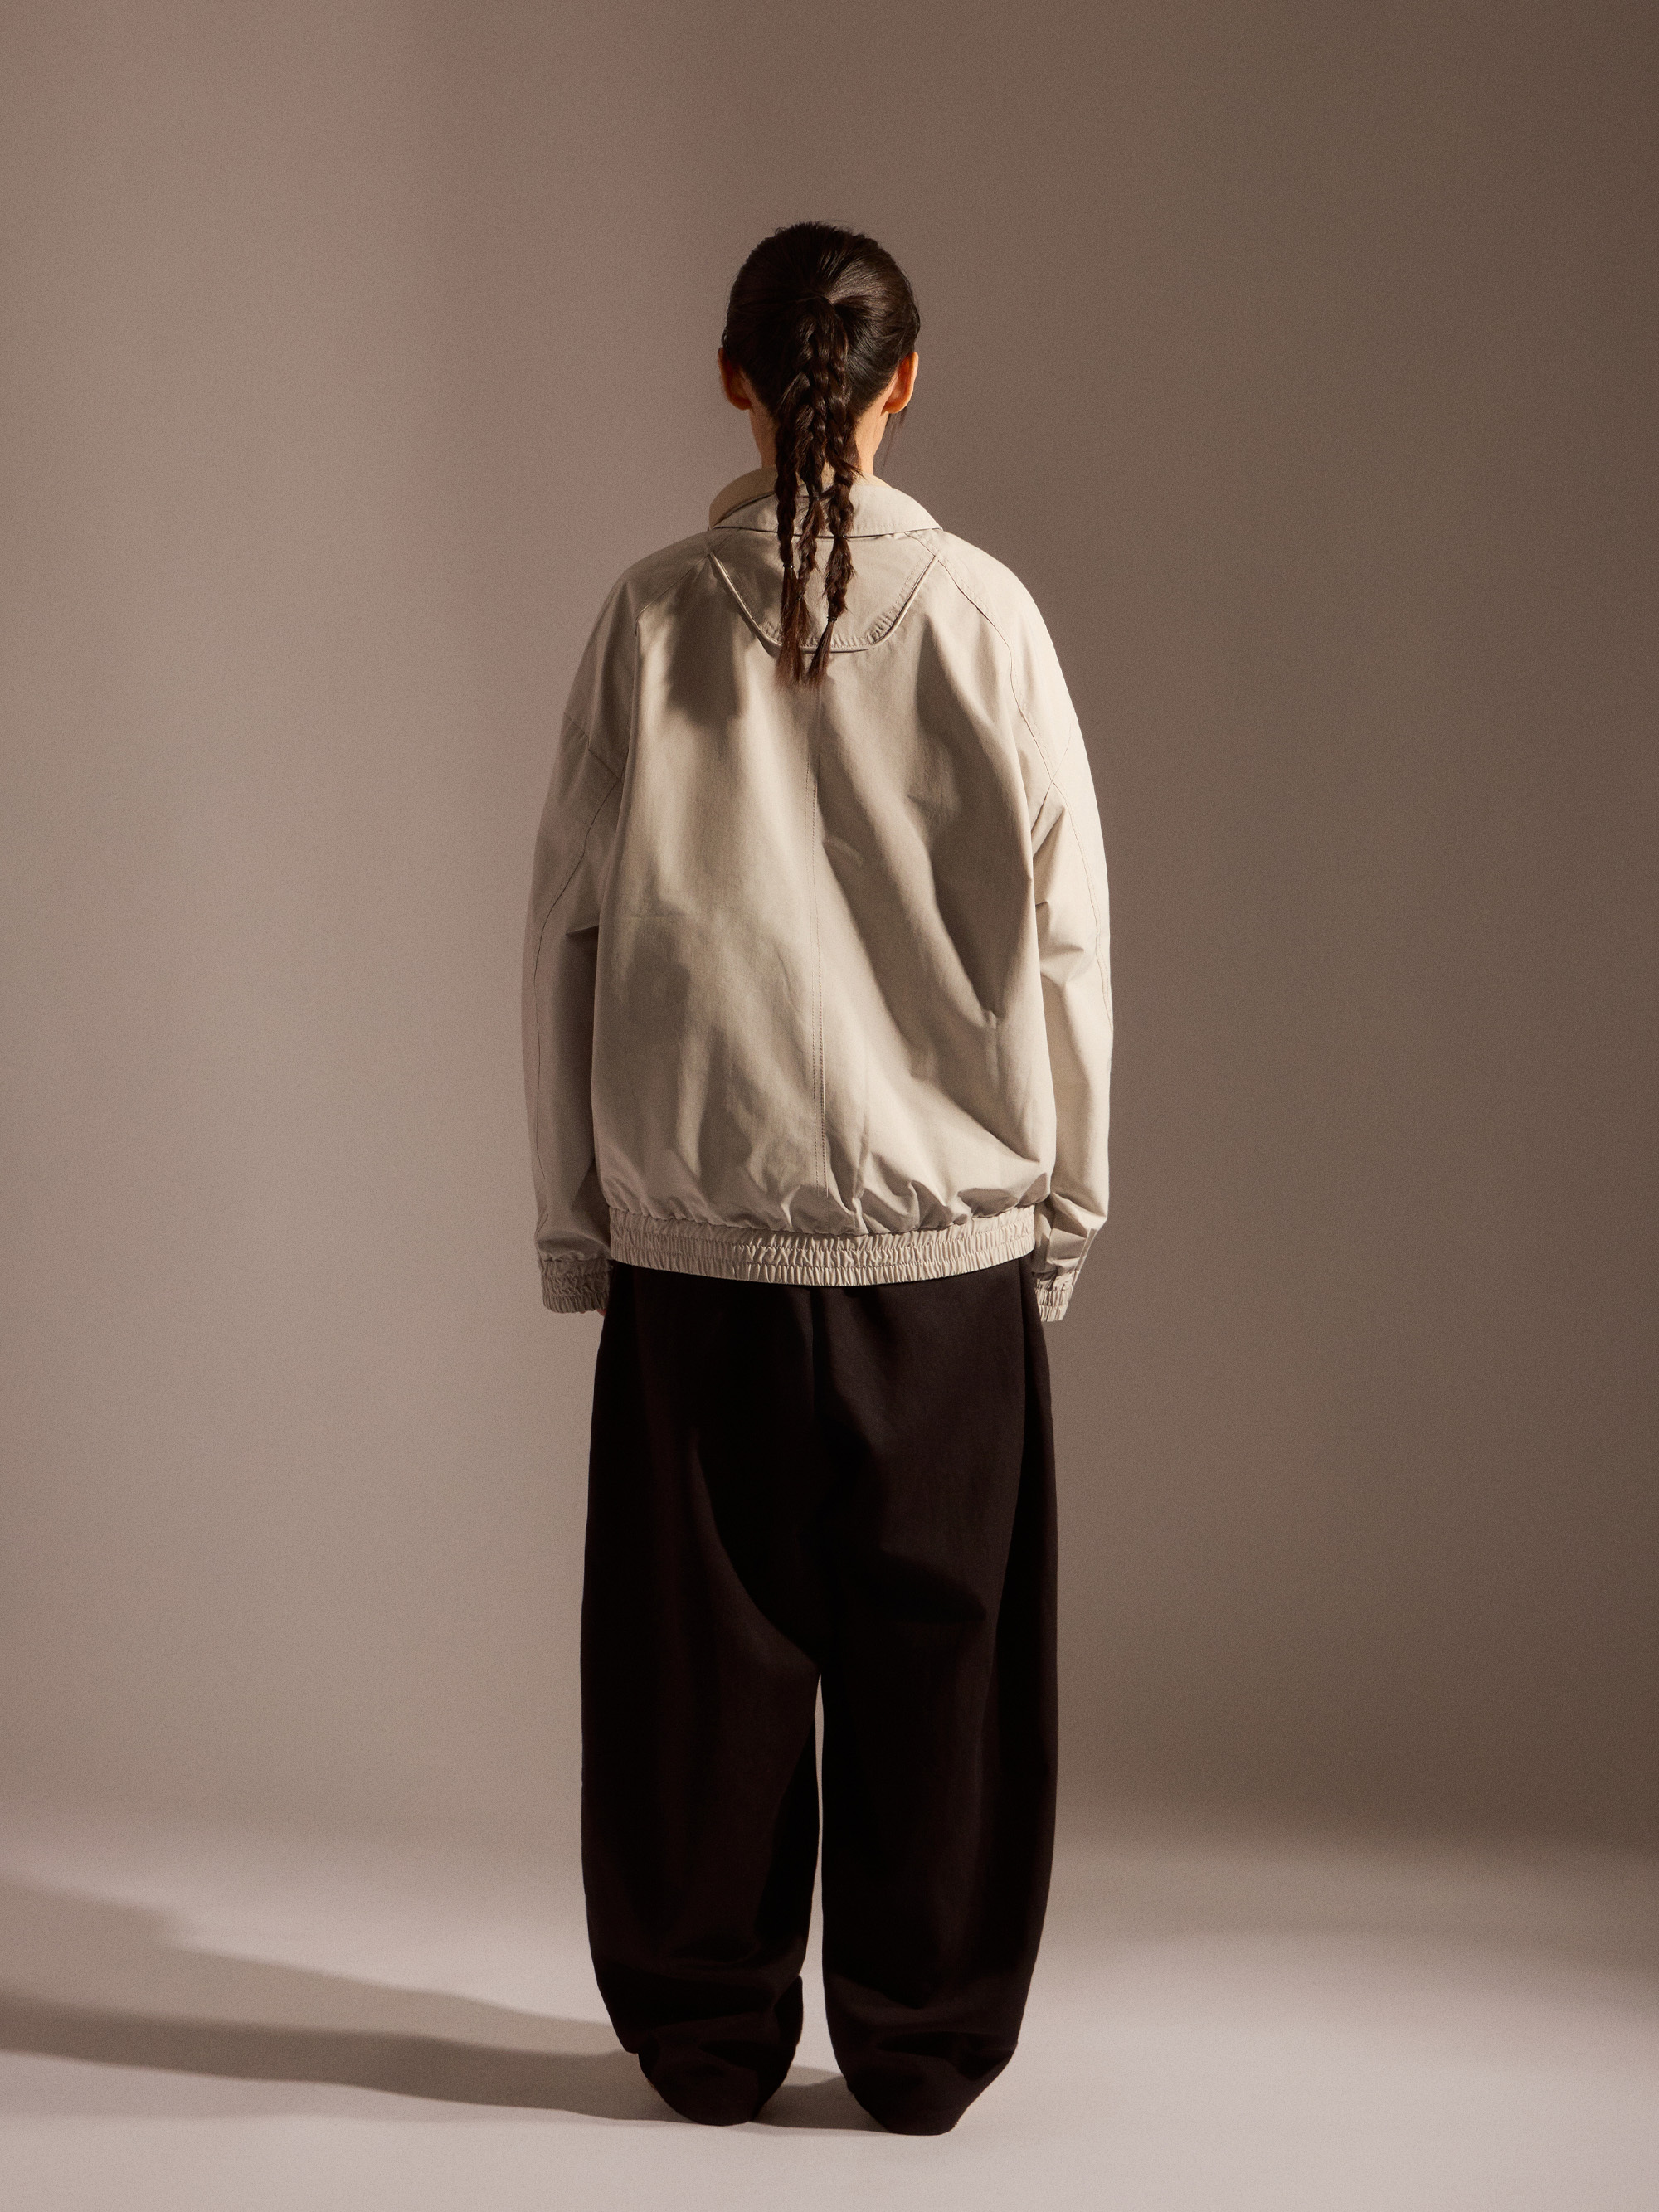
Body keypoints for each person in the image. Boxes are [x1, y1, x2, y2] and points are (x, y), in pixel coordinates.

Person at [521, 220, 1112, 2135]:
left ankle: (705, 2036)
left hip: (697, 1256)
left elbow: (568, 937)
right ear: (904, 381)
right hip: (949, 1261)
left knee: (698, 1669)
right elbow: (1068, 946)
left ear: (733, 378)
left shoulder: (648, 618)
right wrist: (1064, 1214)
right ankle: (923, 2045)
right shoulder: (991, 619)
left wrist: (580, 1221)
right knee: (944, 1665)